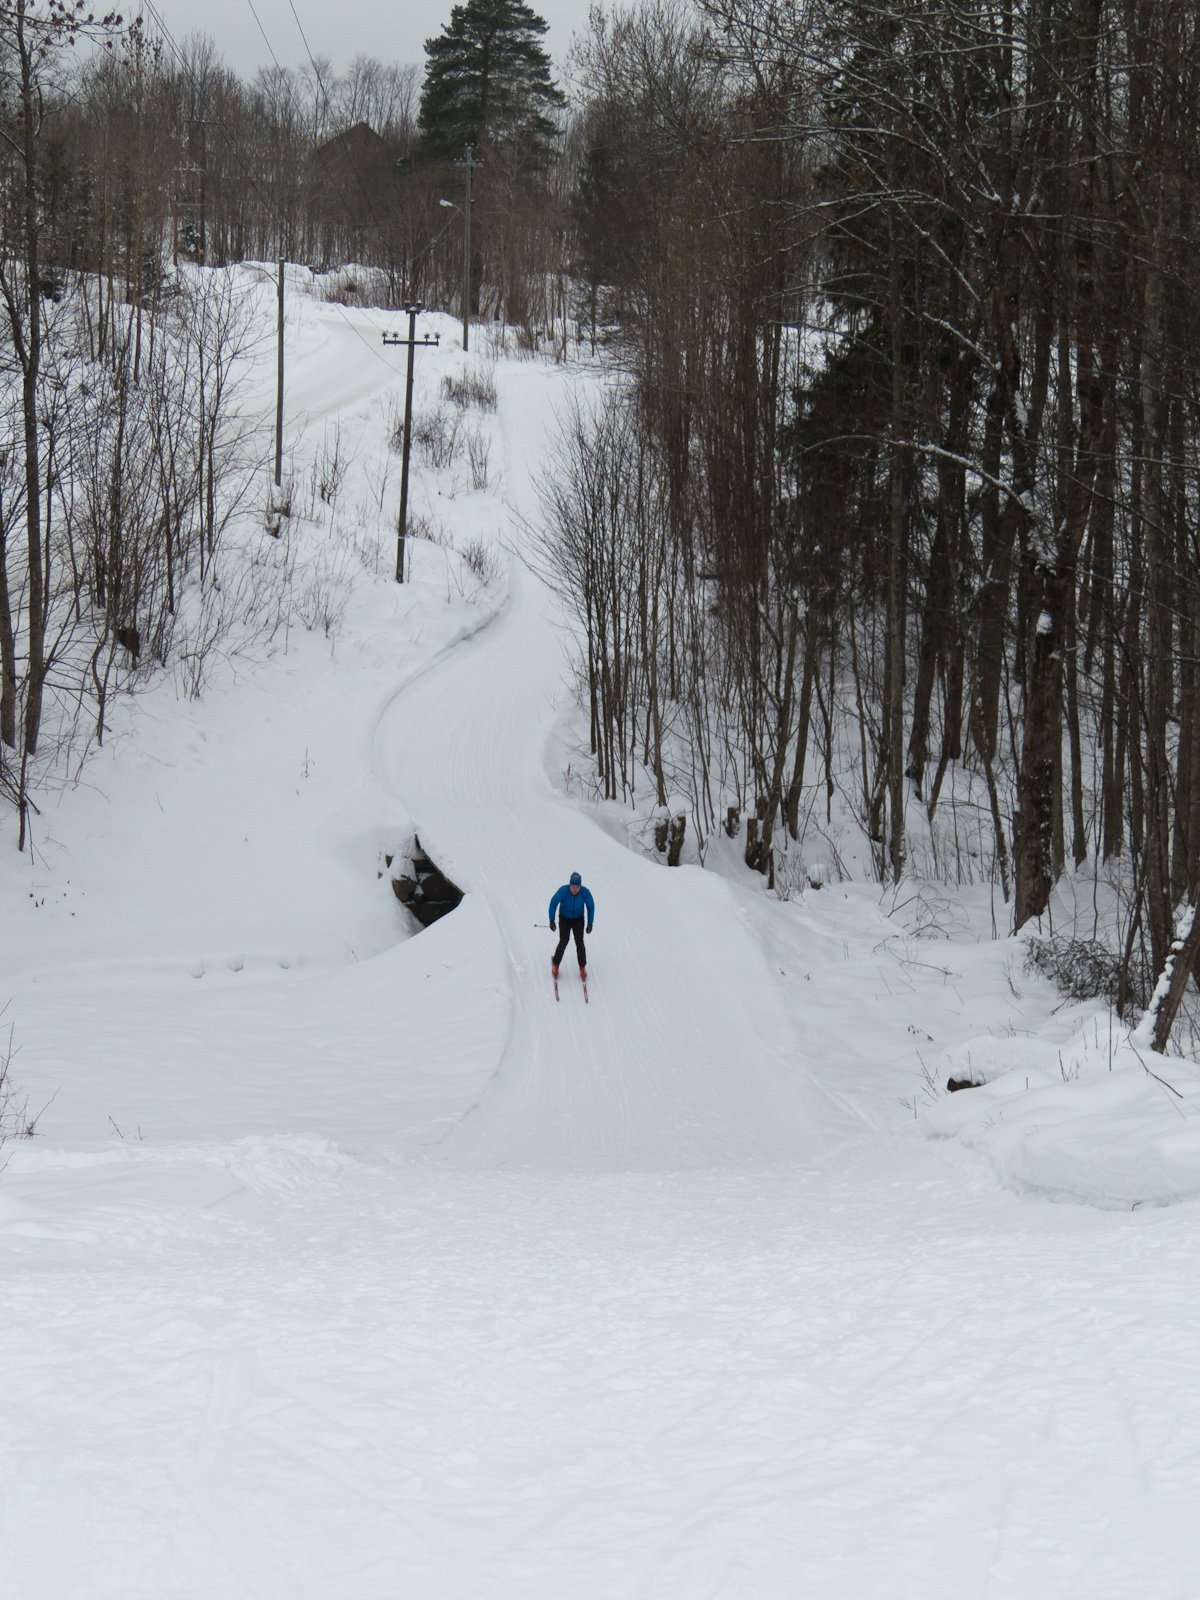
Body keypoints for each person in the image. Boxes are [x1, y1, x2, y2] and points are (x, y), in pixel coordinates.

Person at [548, 872, 595, 977]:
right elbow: (553, 903)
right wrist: (551, 920)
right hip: (564, 918)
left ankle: (582, 967)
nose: (574, 889)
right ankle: (556, 964)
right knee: (564, 940)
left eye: (577, 887)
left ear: (580, 886)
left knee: (579, 943)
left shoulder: (585, 892)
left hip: (578, 919)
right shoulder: (563, 891)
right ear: (569, 885)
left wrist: (590, 923)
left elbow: (591, 907)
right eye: (572, 886)